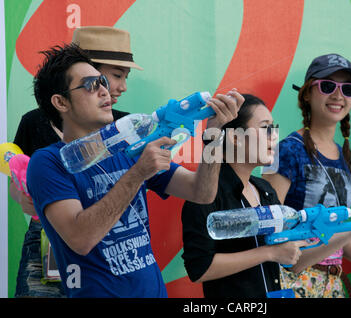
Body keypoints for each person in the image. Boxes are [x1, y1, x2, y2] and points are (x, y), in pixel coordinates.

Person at [26, 42, 242, 298]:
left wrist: (214, 135)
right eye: (90, 85)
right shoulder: (48, 162)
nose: (105, 91)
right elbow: (81, 239)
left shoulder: (128, 145)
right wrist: (138, 173)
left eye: (103, 81)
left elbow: (201, 192)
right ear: (61, 102)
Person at [10, 26, 140, 298]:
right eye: (114, 76)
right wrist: (23, 196)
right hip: (46, 242)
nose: (119, 87)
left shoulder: (127, 127)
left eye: (123, 77)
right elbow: (16, 178)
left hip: (110, 247)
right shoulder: (34, 122)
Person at [262, 53, 351, 298]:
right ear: (307, 94)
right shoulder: (286, 150)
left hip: (332, 284)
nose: (338, 95)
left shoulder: (342, 155)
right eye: (327, 85)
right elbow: (270, 230)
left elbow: (334, 230)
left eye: (347, 88)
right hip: (291, 281)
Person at [181, 94, 306, 298]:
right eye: (265, 127)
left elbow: (290, 257)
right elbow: (200, 268)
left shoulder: (264, 188)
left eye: (274, 128)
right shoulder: (207, 193)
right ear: (236, 137)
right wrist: (269, 253)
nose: (274, 136)